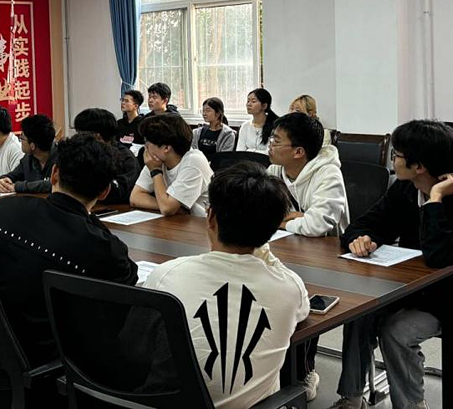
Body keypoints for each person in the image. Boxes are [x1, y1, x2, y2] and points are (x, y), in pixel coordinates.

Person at [0, 133, 138, 366]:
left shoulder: (2, 209)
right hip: (45, 363)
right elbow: (123, 299)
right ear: (104, 192)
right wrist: (91, 221)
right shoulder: (106, 249)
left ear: (54, 174)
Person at [145, 162, 309, 408]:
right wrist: (262, 247)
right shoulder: (290, 288)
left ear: (210, 217)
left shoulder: (166, 275)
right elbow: (302, 310)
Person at [329, 120, 453, 409]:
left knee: (396, 331)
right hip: (411, 289)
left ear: (418, 166)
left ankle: (411, 405)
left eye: (396, 155)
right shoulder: (406, 189)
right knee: (358, 313)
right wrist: (362, 238)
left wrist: (435, 199)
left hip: (444, 300)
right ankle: (352, 398)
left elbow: (439, 256)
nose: (392, 160)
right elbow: (365, 224)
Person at [266, 112, 349, 400]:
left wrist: (284, 220)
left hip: (328, 260)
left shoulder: (327, 173)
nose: (269, 144)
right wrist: (293, 218)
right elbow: (261, 212)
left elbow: (316, 225)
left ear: (299, 152)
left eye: (276, 140)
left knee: (301, 303)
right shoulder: (275, 170)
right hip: (286, 249)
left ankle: (304, 371)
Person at [130, 113, 212, 217]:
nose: (145, 147)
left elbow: (167, 209)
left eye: (147, 142)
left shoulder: (194, 161)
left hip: (203, 223)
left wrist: (155, 171)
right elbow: (135, 197)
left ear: (166, 148)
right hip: (180, 221)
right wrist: (167, 206)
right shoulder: (157, 161)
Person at [74, 107, 140, 204]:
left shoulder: (125, 159)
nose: (77, 138)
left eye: (81, 134)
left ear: (97, 136)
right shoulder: (77, 153)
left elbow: (119, 192)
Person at [0, 114, 57, 194]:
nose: (20, 141)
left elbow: (53, 184)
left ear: (32, 146)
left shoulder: (62, 157)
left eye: (22, 138)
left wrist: (18, 187)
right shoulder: (28, 159)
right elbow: (13, 176)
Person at [237, 88, 278, 154]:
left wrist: (249, 151)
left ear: (264, 106)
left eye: (253, 101)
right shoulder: (245, 126)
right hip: (246, 160)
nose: (248, 104)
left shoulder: (275, 126)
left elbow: (270, 153)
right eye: (248, 101)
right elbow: (240, 152)